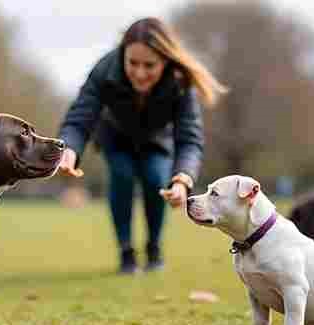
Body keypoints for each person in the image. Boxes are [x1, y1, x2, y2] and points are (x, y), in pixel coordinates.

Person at [57, 17, 227, 274]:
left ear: (165, 61)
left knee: (156, 177)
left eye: (150, 65)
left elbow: (189, 136)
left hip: (157, 140)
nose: (139, 72)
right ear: (123, 55)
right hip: (115, 137)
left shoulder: (180, 82)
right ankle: (126, 252)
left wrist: (182, 180)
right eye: (133, 63)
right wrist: (68, 150)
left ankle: (154, 248)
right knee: (122, 175)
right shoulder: (105, 70)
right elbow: (80, 117)